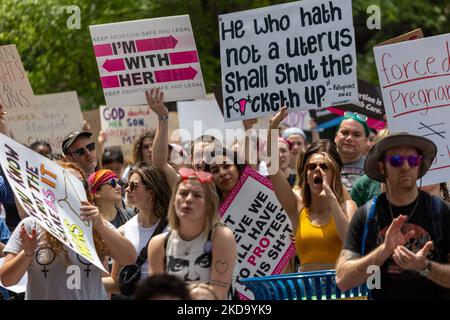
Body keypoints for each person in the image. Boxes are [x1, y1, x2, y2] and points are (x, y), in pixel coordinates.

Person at [336, 132, 450, 299]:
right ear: (382, 167)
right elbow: (342, 280)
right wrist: (384, 250)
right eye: (396, 161)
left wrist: (424, 267)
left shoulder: (441, 211)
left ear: (419, 166)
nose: (405, 167)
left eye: (413, 160)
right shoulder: (366, 214)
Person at [0, 161, 136, 299]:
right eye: (67, 183)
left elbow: (129, 258)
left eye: (80, 184)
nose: (74, 189)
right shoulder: (32, 226)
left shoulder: (97, 226)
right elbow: (6, 280)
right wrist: (27, 254)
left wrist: (100, 225)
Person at [268, 107, 357, 272]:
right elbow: (273, 168)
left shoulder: (348, 207)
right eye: (311, 166)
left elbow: (350, 242)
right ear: (306, 175)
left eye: (324, 166)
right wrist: (273, 127)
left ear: (334, 174)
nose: (317, 170)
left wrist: (331, 198)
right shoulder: (297, 208)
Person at [147, 167, 237, 300]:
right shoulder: (158, 244)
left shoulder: (222, 237)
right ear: (174, 200)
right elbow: (157, 296)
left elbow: (218, 295)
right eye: (183, 193)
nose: (188, 199)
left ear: (209, 204)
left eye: (197, 195)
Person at [106, 164, 171, 295]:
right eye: (127, 185)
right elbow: (117, 282)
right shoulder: (123, 232)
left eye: (134, 186)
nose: (127, 190)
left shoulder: (175, 228)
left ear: (151, 192)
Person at [334, 112, 369, 191]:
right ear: (336, 137)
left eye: (356, 135)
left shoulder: (373, 168)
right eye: (345, 133)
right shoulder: (320, 163)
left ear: (365, 141)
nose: (349, 138)